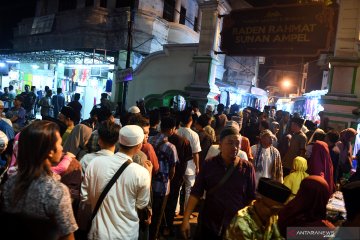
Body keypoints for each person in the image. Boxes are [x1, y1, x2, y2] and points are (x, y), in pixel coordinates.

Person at [0, 120, 78, 239]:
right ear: (50, 151)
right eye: (60, 144)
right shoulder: (56, 191)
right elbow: (68, 237)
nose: (62, 148)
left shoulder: (10, 184)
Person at [181, 127, 256, 239]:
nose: (235, 147)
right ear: (220, 144)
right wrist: (186, 219)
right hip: (209, 223)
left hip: (235, 226)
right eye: (230, 143)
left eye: (237, 143)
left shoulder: (247, 168)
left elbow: (251, 197)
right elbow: (196, 193)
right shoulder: (209, 165)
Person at [81, 125, 152, 240]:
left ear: (119, 141)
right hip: (126, 234)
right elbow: (142, 204)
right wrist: (149, 175)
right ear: (139, 146)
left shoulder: (94, 163)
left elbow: (85, 198)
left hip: (97, 233)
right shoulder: (142, 173)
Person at [225, 177, 292, 240]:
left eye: (277, 211)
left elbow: (278, 237)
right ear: (259, 200)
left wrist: (300, 233)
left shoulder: (272, 216)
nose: (274, 214)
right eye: (272, 209)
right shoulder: (241, 223)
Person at [148, 117, 179, 240]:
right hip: (162, 186)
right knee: (158, 215)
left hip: (148, 182)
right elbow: (172, 170)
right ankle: (154, 236)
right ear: (171, 129)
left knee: (148, 212)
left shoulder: (150, 140)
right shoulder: (171, 147)